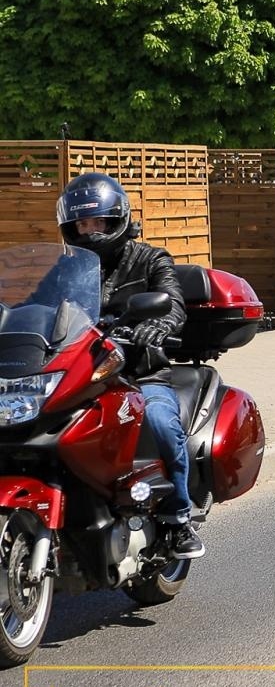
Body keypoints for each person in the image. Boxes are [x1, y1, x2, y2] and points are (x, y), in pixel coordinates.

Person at [56, 173, 205, 559]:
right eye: (82, 224)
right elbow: (35, 305)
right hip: (80, 374)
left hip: (139, 373)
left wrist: (158, 325)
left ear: (116, 220)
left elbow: (172, 301)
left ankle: (178, 518)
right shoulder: (65, 269)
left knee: (159, 422)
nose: (90, 231)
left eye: (98, 222)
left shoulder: (150, 259)